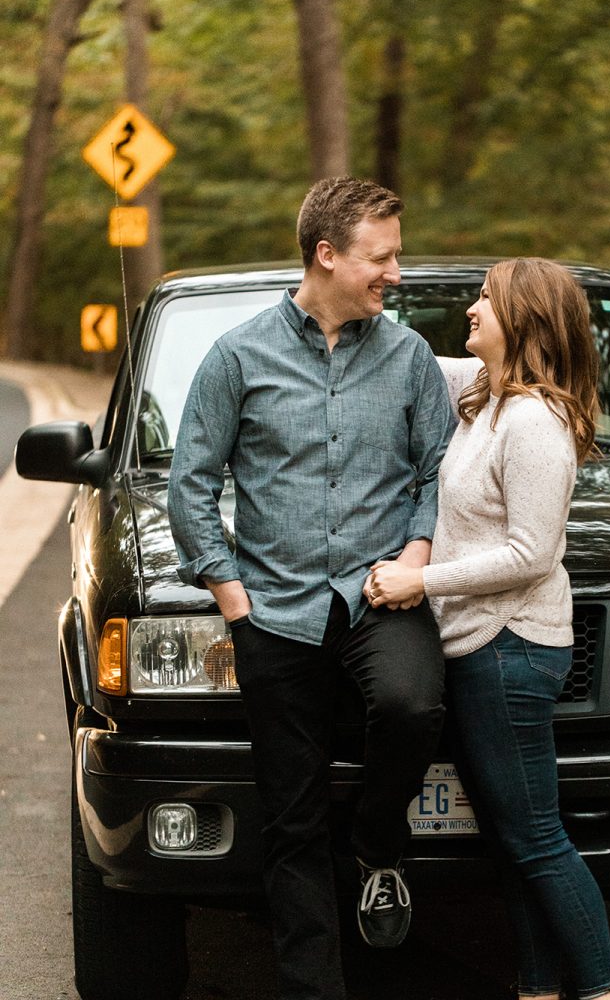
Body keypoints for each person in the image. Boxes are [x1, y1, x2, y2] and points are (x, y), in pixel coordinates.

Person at [168, 177, 454, 1000]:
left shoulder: (408, 360)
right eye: (384, 255)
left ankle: (376, 845)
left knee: (412, 706)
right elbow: (191, 482)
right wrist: (231, 596)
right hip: (274, 610)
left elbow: (436, 468)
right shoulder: (237, 356)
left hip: (379, 597)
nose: (396, 271)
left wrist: (417, 554)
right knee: (289, 817)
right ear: (327, 255)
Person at [368, 258, 610, 1000]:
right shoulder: (485, 401)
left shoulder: (536, 421)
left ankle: (602, 990)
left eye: (487, 298)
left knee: (539, 840)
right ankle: (537, 990)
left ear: (526, 319)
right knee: (514, 844)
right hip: (482, 645)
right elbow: (406, 354)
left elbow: (530, 554)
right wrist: (358, 290)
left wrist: (421, 580)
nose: (473, 308)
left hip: (511, 649)